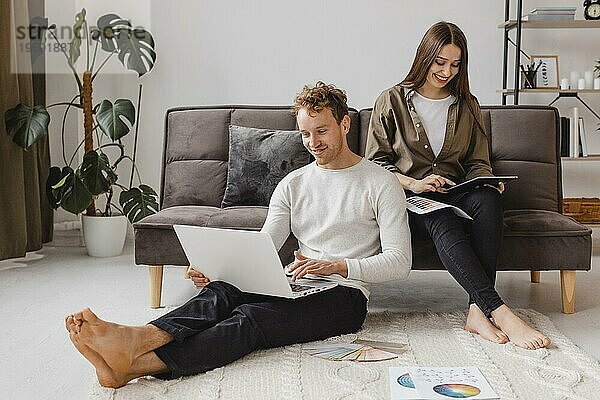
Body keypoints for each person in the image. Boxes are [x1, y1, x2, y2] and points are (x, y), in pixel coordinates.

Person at [65, 82, 412, 388]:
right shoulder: (294, 184)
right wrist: (218, 271)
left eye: (321, 131)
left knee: (250, 320)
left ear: (344, 124)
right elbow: (262, 247)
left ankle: (137, 360)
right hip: (295, 283)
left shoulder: (380, 182)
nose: (313, 142)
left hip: (344, 298)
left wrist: (337, 267)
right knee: (222, 292)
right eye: (305, 134)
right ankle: (137, 344)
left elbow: (400, 263)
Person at [365, 21, 550, 350]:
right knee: (440, 215)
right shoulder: (391, 100)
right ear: (425, 56)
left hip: (454, 193)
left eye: (455, 64)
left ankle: (477, 311)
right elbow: (374, 165)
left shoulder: (467, 104)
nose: (446, 71)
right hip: (406, 198)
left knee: (488, 200)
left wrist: (489, 181)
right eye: (440, 62)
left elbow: (478, 160)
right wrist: (416, 183)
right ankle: (500, 311)